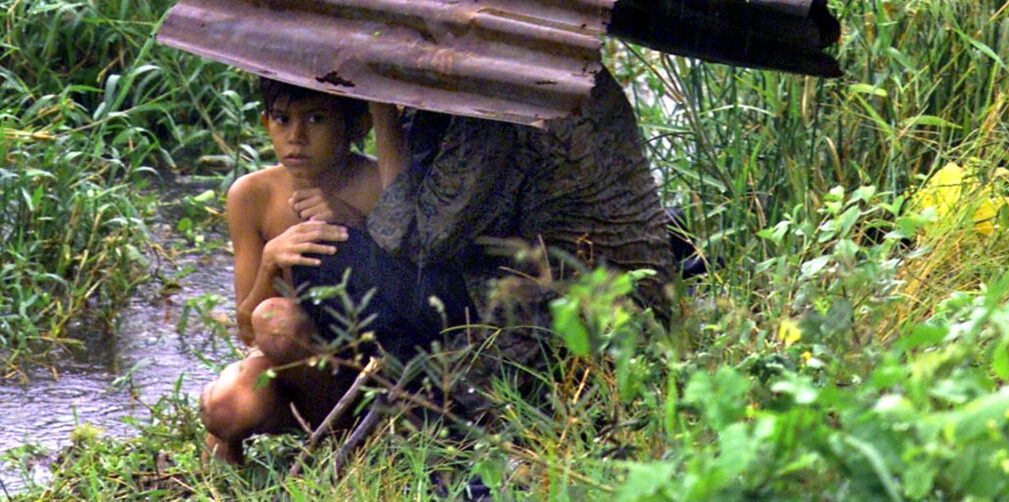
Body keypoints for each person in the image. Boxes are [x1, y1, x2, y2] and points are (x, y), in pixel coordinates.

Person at [365, 64, 676, 415]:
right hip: (616, 310)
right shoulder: (547, 63)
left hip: (584, 336)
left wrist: (379, 107)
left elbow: (417, 242)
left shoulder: (493, 93)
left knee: (349, 263)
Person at [199, 78, 381, 464]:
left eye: (315, 119)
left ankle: (349, 433)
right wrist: (269, 262)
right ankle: (316, 430)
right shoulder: (252, 195)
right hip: (292, 369)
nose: (296, 136)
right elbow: (248, 331)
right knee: (227, 406)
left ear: (358, 126)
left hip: (367, 368)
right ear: (266, 123)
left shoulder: (379, 185)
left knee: (277, 319)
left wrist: (354, 226)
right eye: (282, 119)